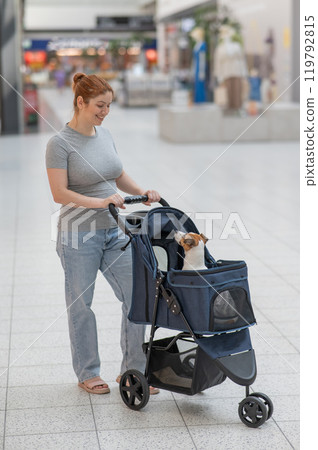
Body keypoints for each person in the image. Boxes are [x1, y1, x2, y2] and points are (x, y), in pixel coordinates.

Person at [46, 72, 161, 394]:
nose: (104, 111)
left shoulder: (105, 135)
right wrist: (100, 202)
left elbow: (118, 173)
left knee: (137, 298)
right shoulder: (59, 143)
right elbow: (59, 192)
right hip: (77, 236)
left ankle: (133, 370)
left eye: (108, 105)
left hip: (115, 232)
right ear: (80, 102)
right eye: (99, 105)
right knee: (82, 305)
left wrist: (143, 191)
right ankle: (87, 372)